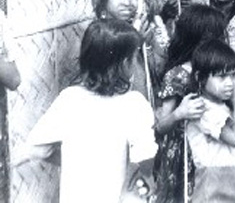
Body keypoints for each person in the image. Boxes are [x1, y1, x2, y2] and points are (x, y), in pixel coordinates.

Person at [20, 19, 156, 203]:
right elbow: (145, 153)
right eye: (134, 56)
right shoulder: (133, 104)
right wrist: (147, 176)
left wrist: (75, 163)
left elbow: (36, 149)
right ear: (125, 63)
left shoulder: (69, 99)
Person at [154, 4, 227, 203]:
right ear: (195, 39)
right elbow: (160, 126)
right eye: (212, 39)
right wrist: (180, 113)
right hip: (183, 157)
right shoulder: (177, 75)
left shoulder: (218, 74)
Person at [95, 0, 166, 105]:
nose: (127, 3)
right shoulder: (100, 33)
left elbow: (160, 71)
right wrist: (134, 42)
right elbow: (111, 76)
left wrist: (149, 44)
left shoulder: (142, 27)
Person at [187, 38, 235, 202]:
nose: (229, 83)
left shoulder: (224, 106)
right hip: (213, 187)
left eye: (233, 75)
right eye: (221, 77)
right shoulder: (201, 109)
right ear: (200, 77)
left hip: (233, 182)